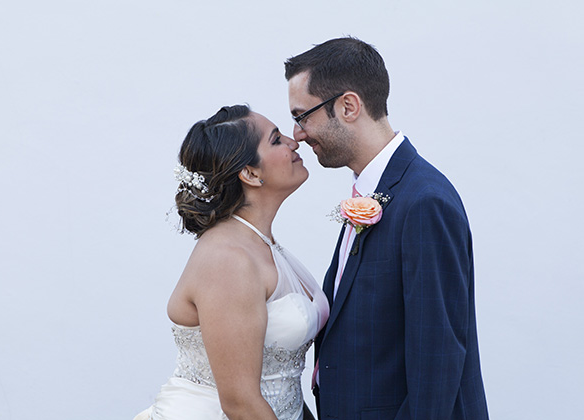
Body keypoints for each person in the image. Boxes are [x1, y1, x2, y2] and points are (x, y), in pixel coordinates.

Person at [285, 37, 489, 419]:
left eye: (302, 116)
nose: (297, 133)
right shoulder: (376, 190)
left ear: (348, 106)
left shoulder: (423, 201)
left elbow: (437, 362)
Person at [133, 105, 329, 420]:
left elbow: (283, 386)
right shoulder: (228, 260)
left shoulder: (264, 244)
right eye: (277, 140)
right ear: (250, 173)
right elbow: (240, 403)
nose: (295, 142)